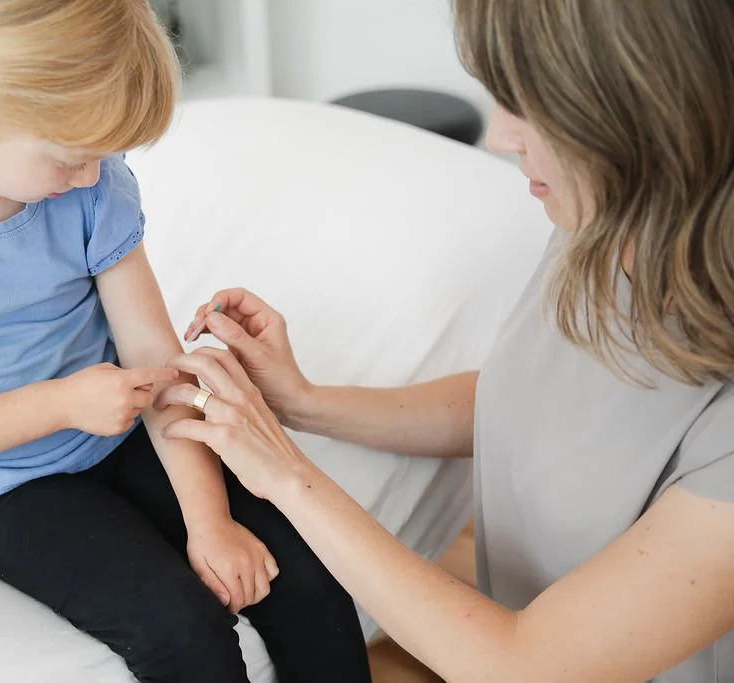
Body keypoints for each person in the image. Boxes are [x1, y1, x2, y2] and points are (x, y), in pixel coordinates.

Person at [0, 1, 370, 681]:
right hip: (4, 490)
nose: (89, 177)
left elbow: (154, 358)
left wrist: (209, 520)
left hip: (121, 432)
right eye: (69, 159)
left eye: (98, 158)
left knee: (310, 579)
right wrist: (63, 403)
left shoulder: (87, 188)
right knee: (183, 629)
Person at [156, 1, 734, 681]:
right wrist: (306, 402)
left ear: (643, 117)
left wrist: (285, 471)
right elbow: (529, 399)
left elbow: (523, 665)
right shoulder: (604, 220)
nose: (499, 136)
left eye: (531, 106)